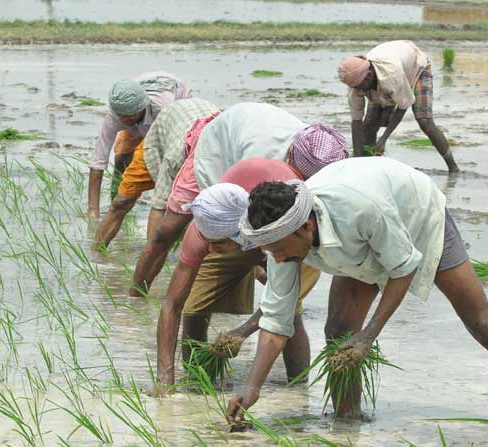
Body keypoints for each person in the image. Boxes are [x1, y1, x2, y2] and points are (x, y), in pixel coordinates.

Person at [224, 157, 488, 429]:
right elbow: (276, 322)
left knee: (483, 325)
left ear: (306, 227)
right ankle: (347, 424)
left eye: (280, 251)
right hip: (359, 246)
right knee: (339, 333)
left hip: (417, 219)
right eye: (272, 252)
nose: (278, 261)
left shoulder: (361, 208)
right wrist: (251, 388)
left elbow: (403, 268)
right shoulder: (281, 239)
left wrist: (368, 336)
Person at [129, 102, 348, 297]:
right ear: (291, 155)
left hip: (247, 151)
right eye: (301, 177)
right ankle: (136, 294)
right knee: (166, 231)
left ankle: (273, 296)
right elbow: (240, 215)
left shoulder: (323, 155)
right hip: (214, 150)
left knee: (273, 245)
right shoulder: (261, 158)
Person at [155, 159, 323, 391]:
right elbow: (172, 303)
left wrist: (241, 333)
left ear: (240, 233)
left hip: (289, 228)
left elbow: (281, 301)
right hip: (239, 231)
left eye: (218, 244)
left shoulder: (278, 230)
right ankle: (197, 384)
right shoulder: (205, 228)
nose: (212, 251)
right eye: (208, 243)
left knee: (289, 311)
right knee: (194, 308)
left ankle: (297, 390)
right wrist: (164, 379)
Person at [93, 98, 219, 248]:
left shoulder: (235, 162)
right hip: (163, 136)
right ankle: (96, 252)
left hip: (202, 124)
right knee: (122, 202)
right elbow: (159, 206)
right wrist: (152, 255)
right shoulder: (175, 157)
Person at [338, 40, 459, 173]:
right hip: (391, 72)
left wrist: (384, 139)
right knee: (370, 125)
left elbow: (403, 105)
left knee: (424, 121)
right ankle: (369, 169)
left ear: (368, 77)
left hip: (416, 67)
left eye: (360, 87)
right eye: (355, 87)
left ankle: (453, 167)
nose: (358, 90)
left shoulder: (391, 75)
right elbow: (356, 122)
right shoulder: (356, 85)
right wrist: (357, 160)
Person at [87, 71, 191, 220]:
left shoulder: (164, 108)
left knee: (169, 164)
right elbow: (98, 161)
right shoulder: (118, 115)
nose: (125, 119)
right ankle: (115, 205)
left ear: (142, 107)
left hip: (175, 110)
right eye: (122, 117)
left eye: (129, 116)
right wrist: (93, 212)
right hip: (139, 114)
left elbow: (174, 150)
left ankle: (172, 206)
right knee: (121, 157)